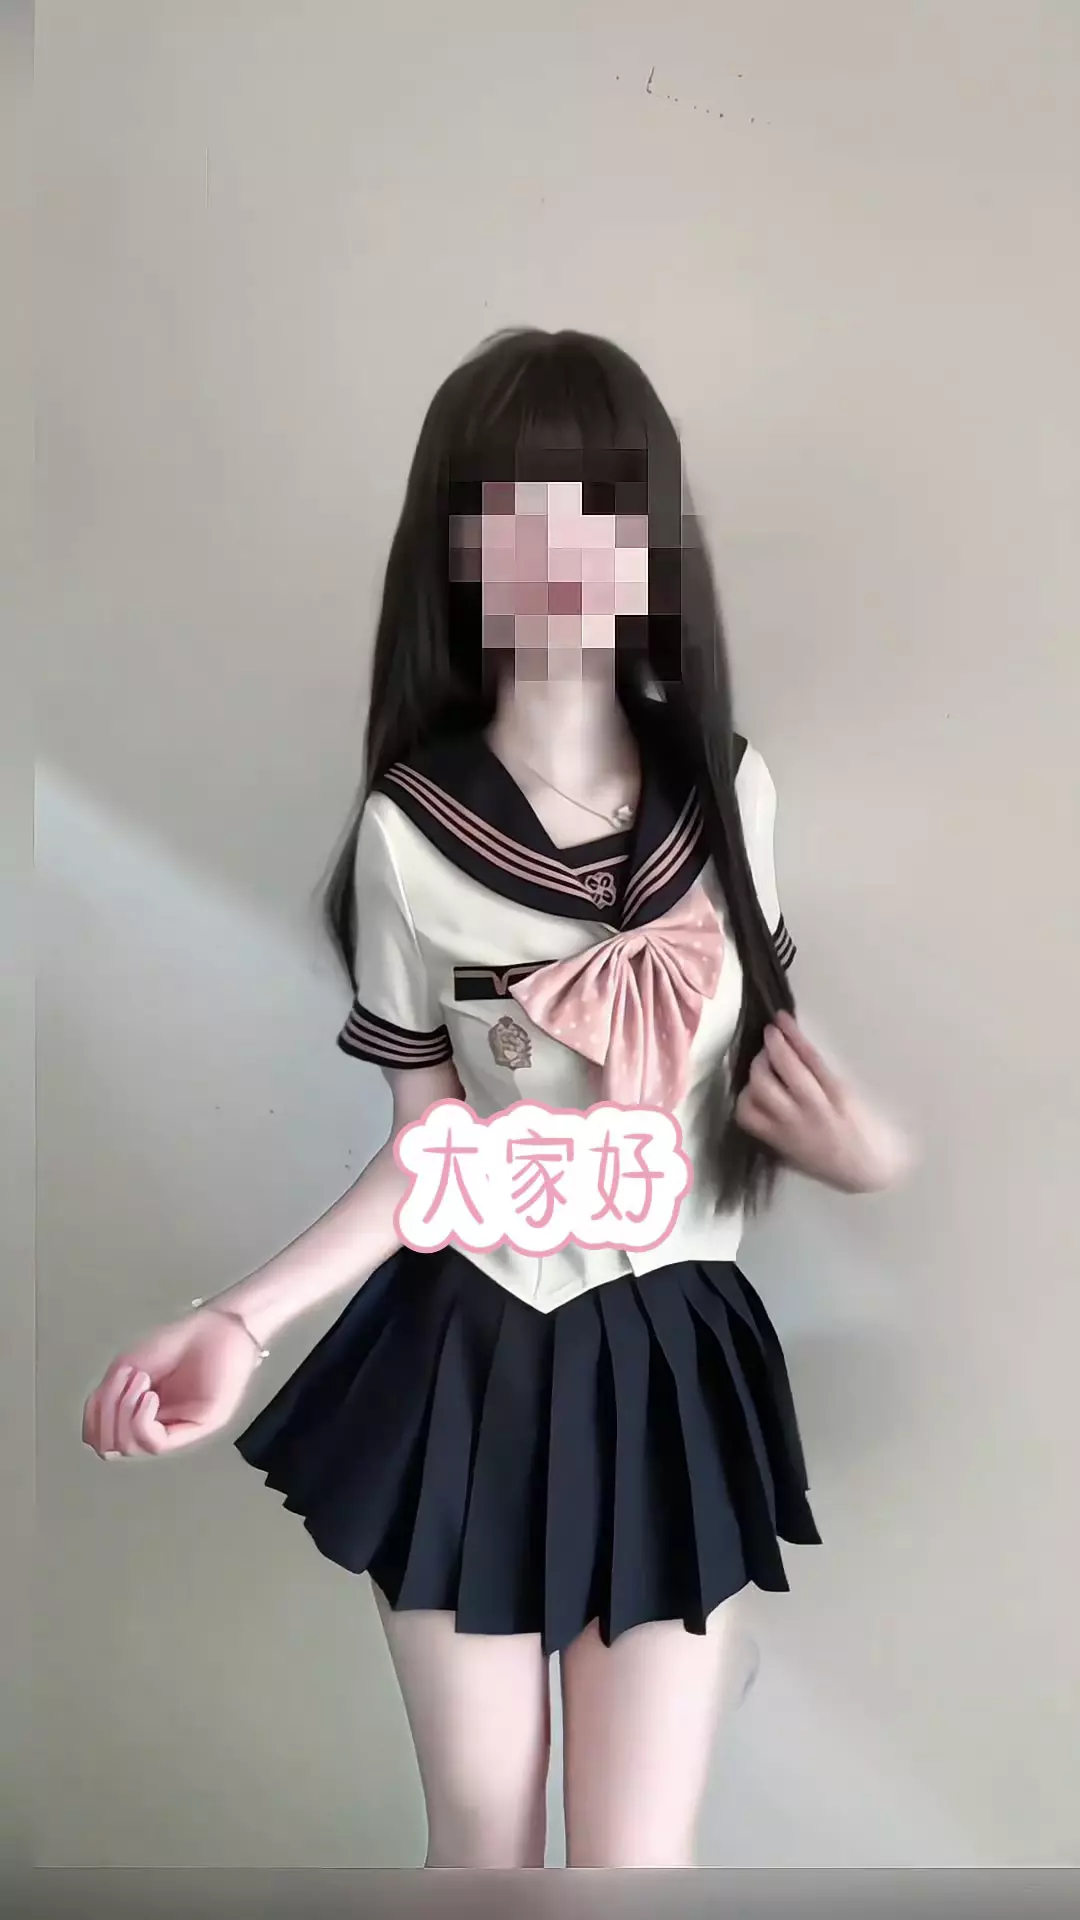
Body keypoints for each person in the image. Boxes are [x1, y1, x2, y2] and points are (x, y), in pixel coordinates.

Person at [82, 327, 910, 1869]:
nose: (559, 552)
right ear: (455, 549)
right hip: (469, 1363)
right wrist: (241, 1323)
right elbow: (433, 1151)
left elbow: (765, 1083)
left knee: (636, 1859)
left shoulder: (734, 796)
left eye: (600, 507)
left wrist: (855, 1151)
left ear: (652, 541)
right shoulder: (411, 837)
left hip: (672, 1356)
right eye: (511, 510)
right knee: (483, 1845)